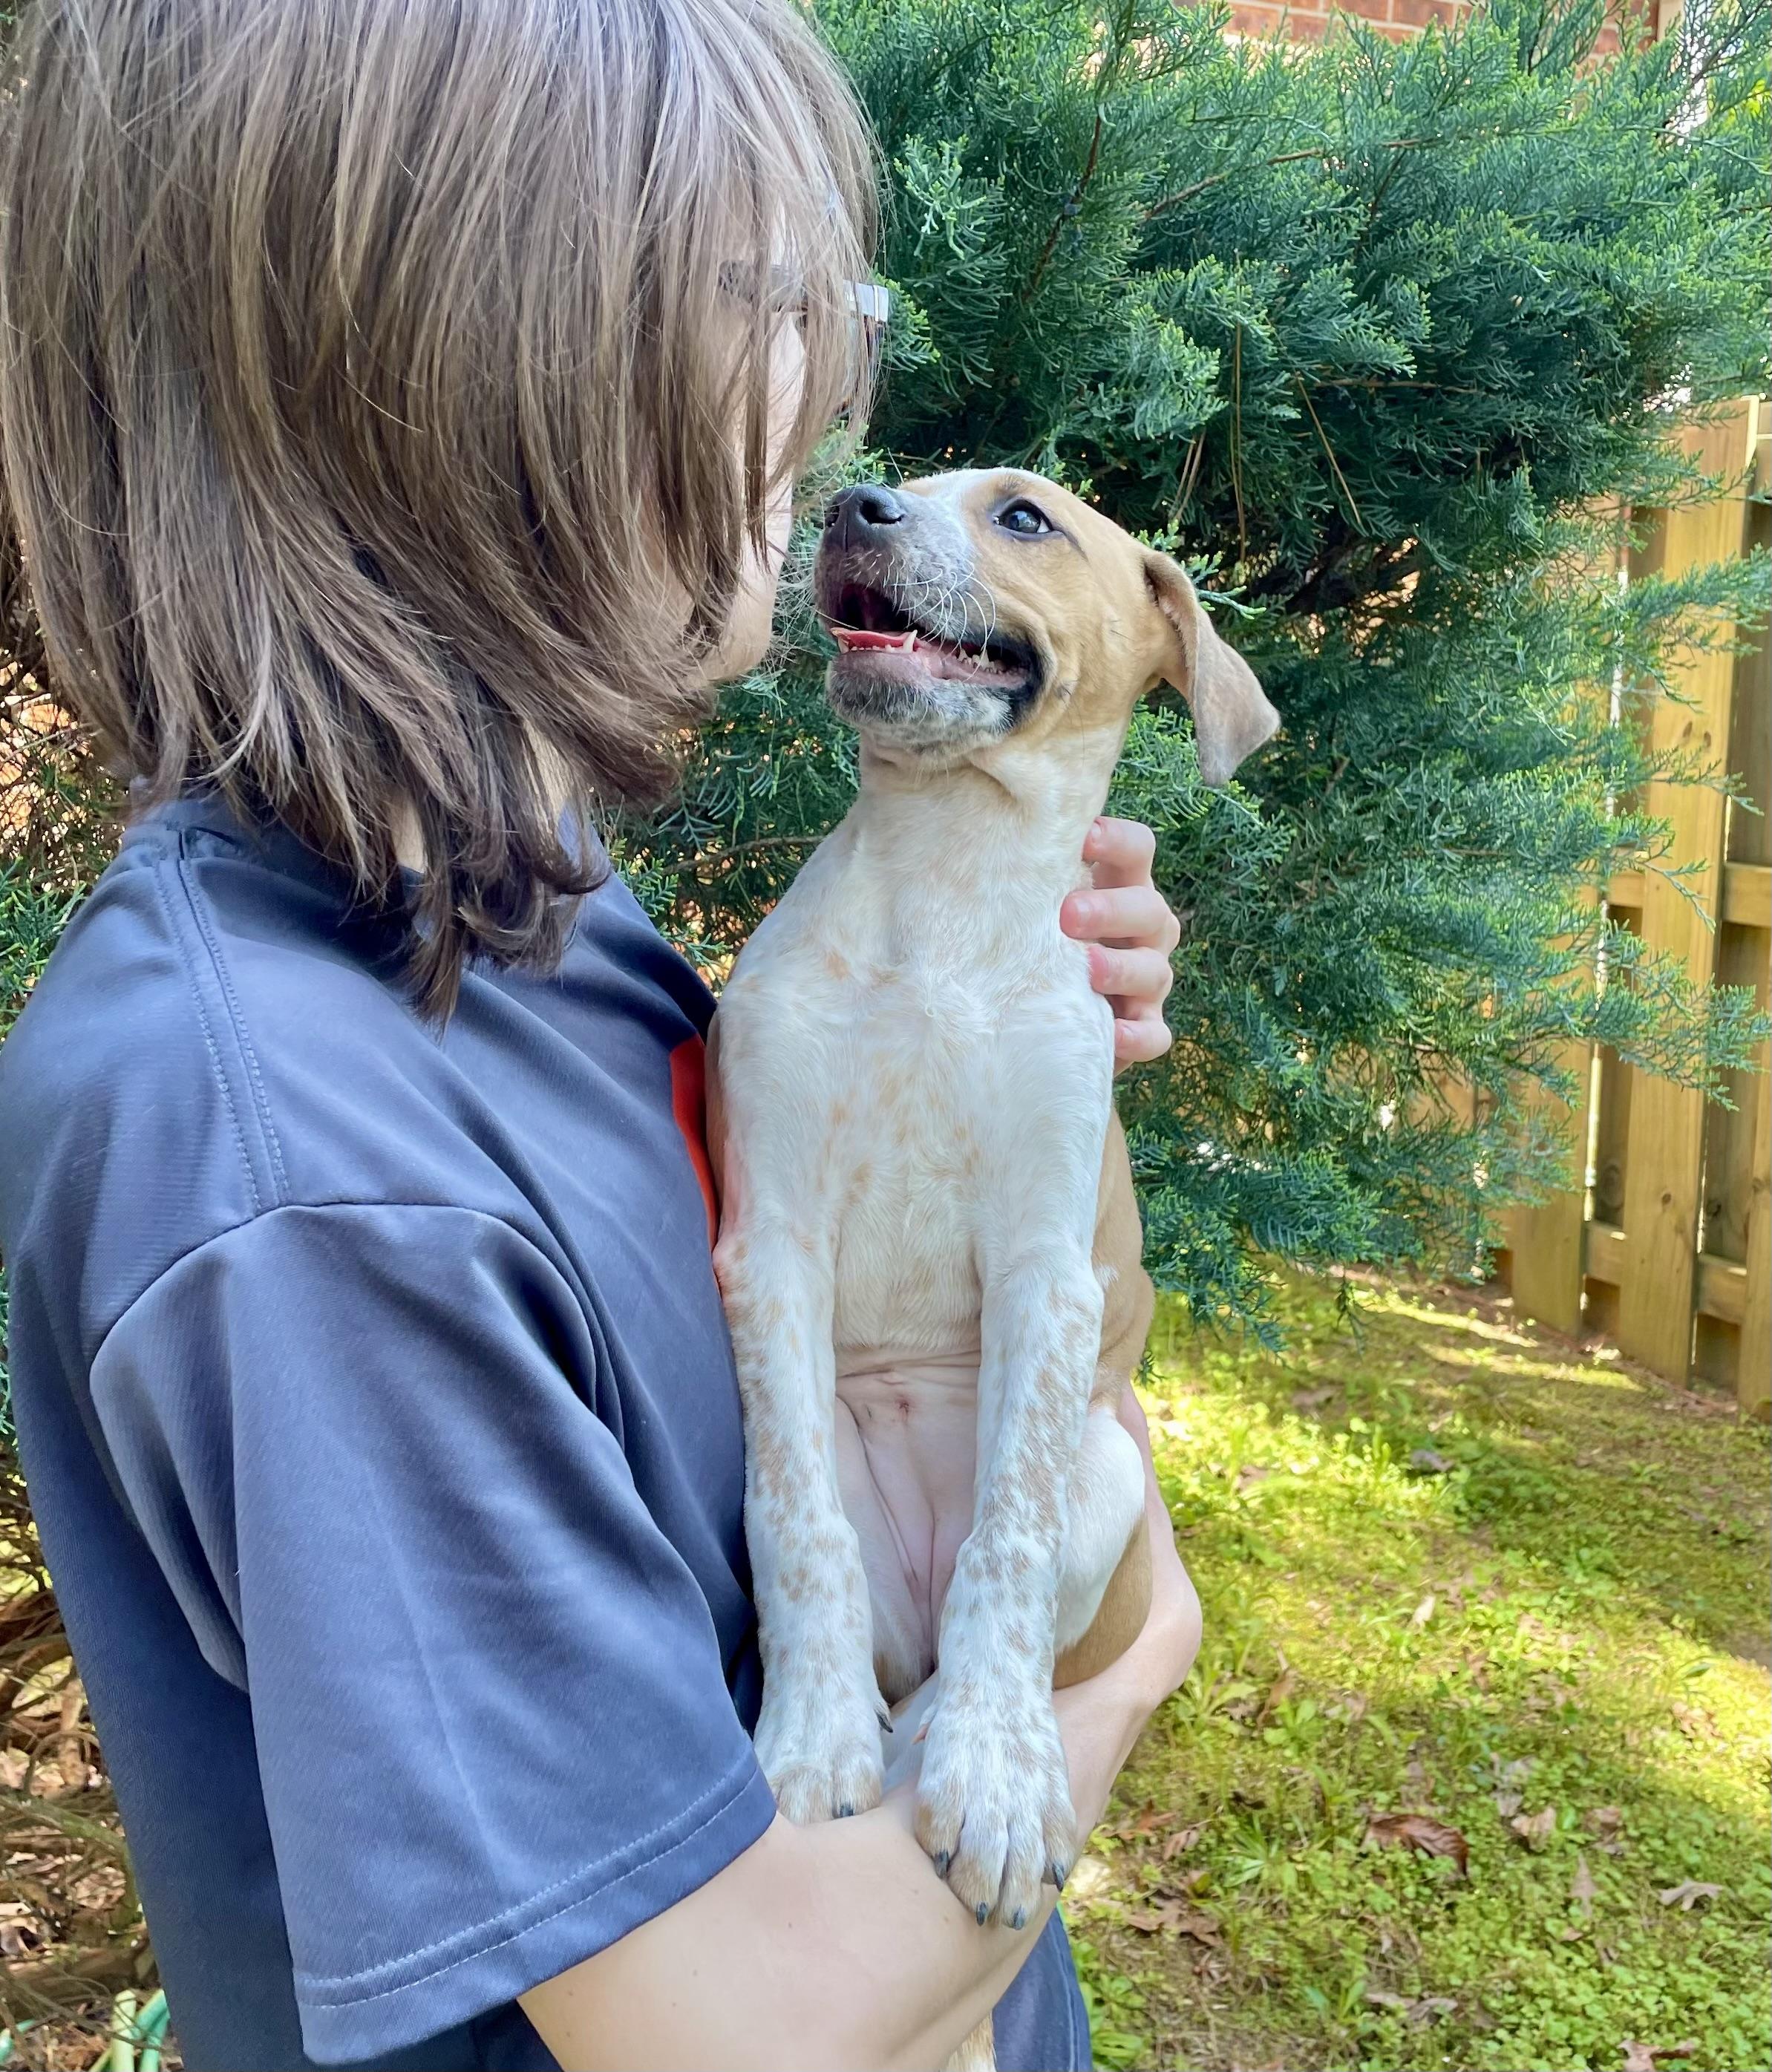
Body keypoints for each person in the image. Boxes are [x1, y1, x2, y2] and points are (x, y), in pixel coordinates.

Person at [0, 1, 1202, 2067]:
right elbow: (735, 2030)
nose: (837, 384)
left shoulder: (518, 904)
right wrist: (1123, 1663)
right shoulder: (295, 1156)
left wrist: (1019, 1066)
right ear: (454, 359)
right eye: (763, 301)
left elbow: (893, 1362)